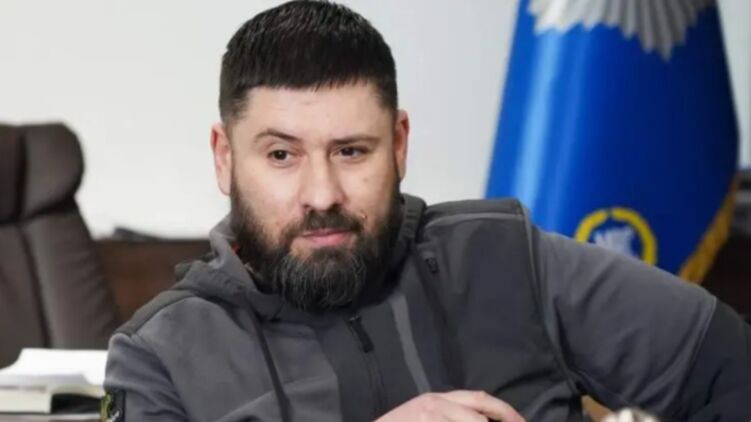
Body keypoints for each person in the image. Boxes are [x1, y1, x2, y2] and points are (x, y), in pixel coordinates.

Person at [103, 1, 751, 421]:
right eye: (281, 155)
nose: (322, 193)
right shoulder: (161, 356)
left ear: (399, 144)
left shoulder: (507, 259)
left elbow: (732, 371)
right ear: (224, 158)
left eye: (351, 151)